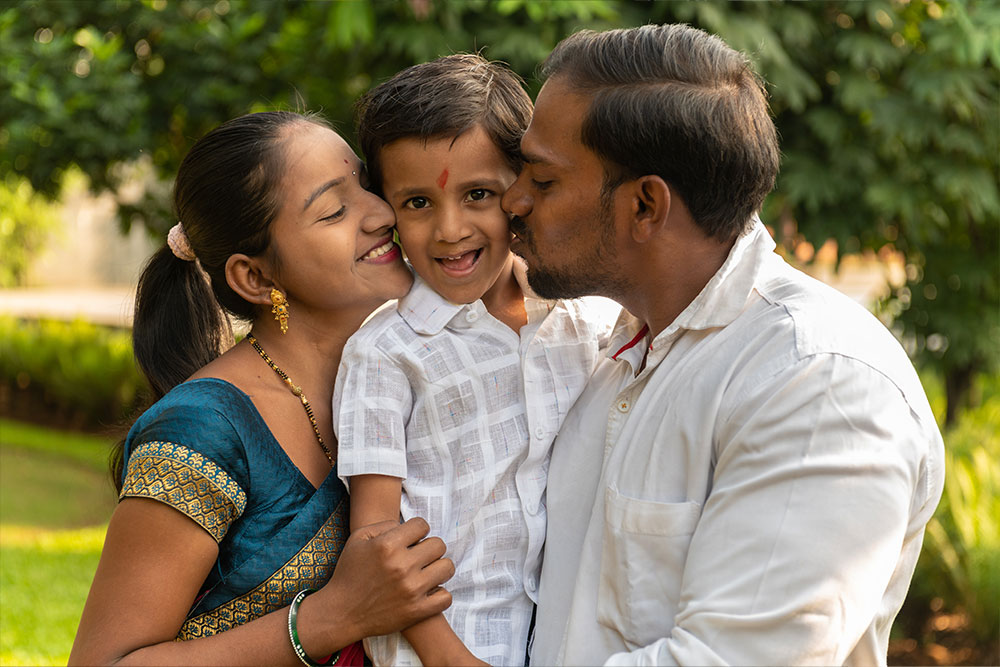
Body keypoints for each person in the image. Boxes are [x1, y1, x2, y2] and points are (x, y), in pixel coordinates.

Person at [500, 24, 945, 666]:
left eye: (541, 181)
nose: (513, 200)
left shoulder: (820, 383)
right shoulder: (605, 347)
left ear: (646, 206)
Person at [69, 111, 457, 666]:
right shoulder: (202, 429)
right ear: (255, 277)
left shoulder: (400, 380)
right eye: (335, 210)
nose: (380, 213)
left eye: (368, 186)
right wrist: (332, 617)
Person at [332, 54, 615, 666]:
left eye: (479, 194)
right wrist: (450, 658)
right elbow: (376, 541)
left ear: (523, 189)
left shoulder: (586, 323)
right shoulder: (386, 353)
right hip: (440, 650)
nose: (450, 229)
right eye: (416, 204)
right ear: (386, 209)